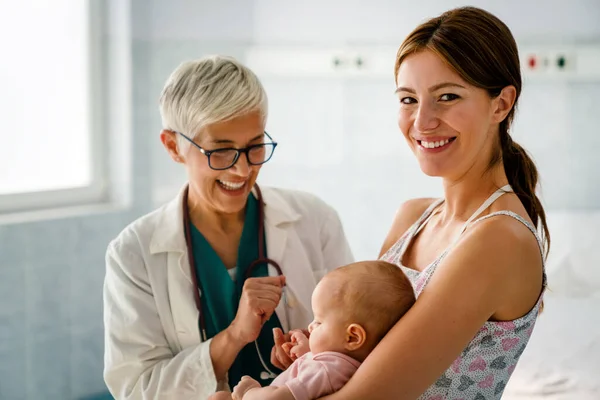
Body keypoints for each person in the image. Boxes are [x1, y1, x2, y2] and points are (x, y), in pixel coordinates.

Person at [318, 6, 550, 400]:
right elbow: (362, 360)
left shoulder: (499, 240)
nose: (422, 121)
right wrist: (313, 356)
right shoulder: (413, 217)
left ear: (502, 103)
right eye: (408, 99)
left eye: (447, 97)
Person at [102, 55, 354, 400]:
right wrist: (235, 335)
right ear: (173, 146)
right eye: (220, 152)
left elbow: (358, 342)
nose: (241, 171)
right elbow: (137, 389)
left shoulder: (314, 219)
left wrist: (309, 352)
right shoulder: (134, 252)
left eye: (254, 147)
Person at [210, 260, 416, 400]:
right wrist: (308, 352)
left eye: (318, 321)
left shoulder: (326, 369)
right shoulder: (339, 366)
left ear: (353, 337)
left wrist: (250, 391)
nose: (310, 326)